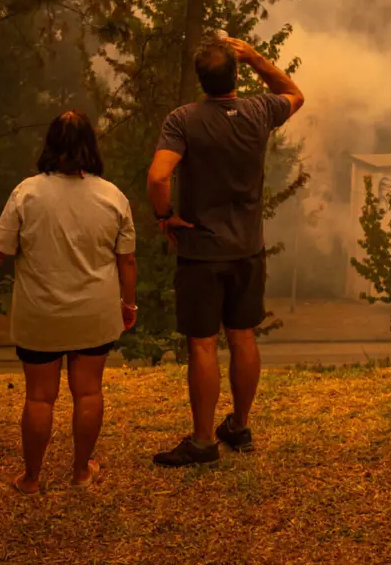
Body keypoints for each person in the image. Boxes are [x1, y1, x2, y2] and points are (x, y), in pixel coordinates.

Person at [0, 111, 137, 494]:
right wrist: (129, 304)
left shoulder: (27, 193)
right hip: (94, 311)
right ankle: (80, 472)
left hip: (40, 314)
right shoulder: (113, 196)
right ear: (90, 145)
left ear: (50, 145)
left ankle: (31, 477)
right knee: (88, 391)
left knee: (40, 397)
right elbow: (127, 259)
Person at [147, 36, 304, 467]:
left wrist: (165, 216)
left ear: (202, 79)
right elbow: (294, 93)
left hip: (201, 251)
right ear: (237, 74)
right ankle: (238, 426)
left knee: (202, 345)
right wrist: (256, 57)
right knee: (243, 335)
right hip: (248, 248)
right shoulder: (259, 110)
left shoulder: (183, 120)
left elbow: (159, 177)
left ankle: (202, 442)